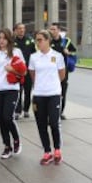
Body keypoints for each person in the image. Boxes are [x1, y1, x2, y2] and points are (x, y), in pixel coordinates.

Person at [28, 29, 65, 165]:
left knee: (54, 123)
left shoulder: (57, 56)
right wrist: (40, 85)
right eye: (36, 40)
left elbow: (62, 75)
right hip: (39, 95)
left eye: (40, 40)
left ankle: (57, 150)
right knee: (41, 125)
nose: (38, 43)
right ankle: (47, 152)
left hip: (54, 94)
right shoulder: (34, 57)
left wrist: (52, 85)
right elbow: (32, 75)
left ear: (48, 40)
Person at [0, 28, 26, 159]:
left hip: (12, 89)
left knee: (7, 117)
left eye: (4, 38)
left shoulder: (16, 52)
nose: (1, 40)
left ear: (9, 39)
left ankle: (16, 139)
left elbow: (24, 72)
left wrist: (13, 70)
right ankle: (7, 146)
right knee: (1, 120)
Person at [49, 23, 77, 120]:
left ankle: (60, 112)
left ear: (58, 30)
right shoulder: (48, 41)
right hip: (51, 72)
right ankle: (52, 112)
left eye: (53, 29)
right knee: (52, 92)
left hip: (63, 71)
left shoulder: (66, 41)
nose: (51, 31)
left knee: (62, 92)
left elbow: (74, 52)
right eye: (51, 29)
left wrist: (68, 52)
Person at [13, 23, 36, 119]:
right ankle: (18, 111)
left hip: (28, 70)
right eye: (19, 28)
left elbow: (35, 54)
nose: (22, 30)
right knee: (18, 91)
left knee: (28, 91)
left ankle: (26, 110)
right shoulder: (12, 41)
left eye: (23, 28)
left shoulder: (30, 40)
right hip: (17, 71)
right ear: (15, 30)